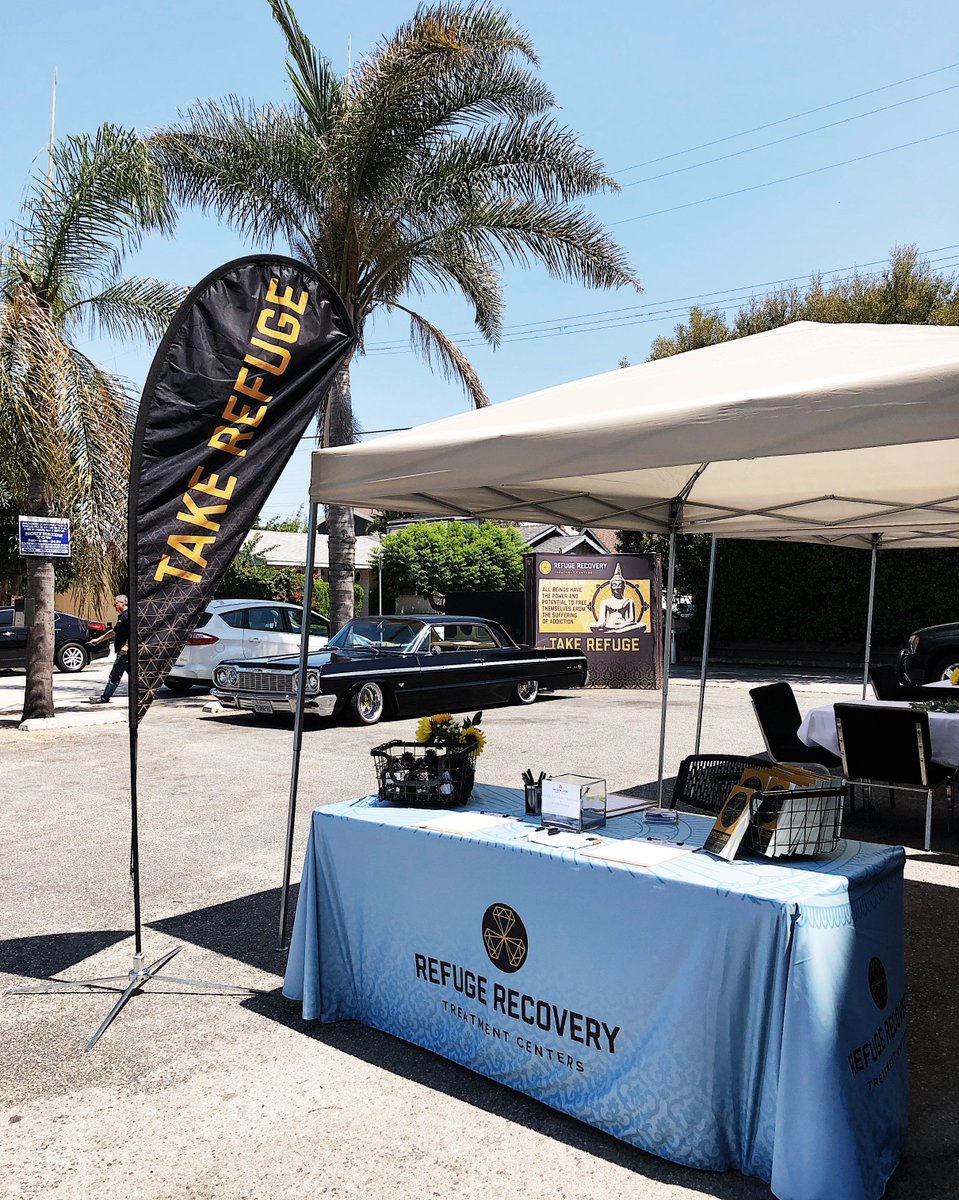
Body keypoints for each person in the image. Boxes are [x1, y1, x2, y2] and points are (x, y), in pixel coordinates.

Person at [87, 595, 129, 704]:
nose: (114, 606)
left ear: (123, 603)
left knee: (114, 676)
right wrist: (98, 640)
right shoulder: (121, 617)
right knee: (135, 676)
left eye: (116, 603)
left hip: (125, 653)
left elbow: (134, 631)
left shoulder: (128, 616)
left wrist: (127, 646)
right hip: (122, 652)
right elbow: (113, 632)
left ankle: (104, 698)